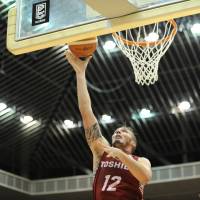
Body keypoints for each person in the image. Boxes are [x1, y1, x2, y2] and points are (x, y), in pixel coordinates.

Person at [65, 50, 152, 200]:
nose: (117, 132)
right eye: (116, 131)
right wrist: (80, 73)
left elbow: (144, 177)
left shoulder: (142, 161)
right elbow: (86, 112)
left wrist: (121, 155)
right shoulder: (102, 152)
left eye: (123, 131)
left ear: (133, 142)